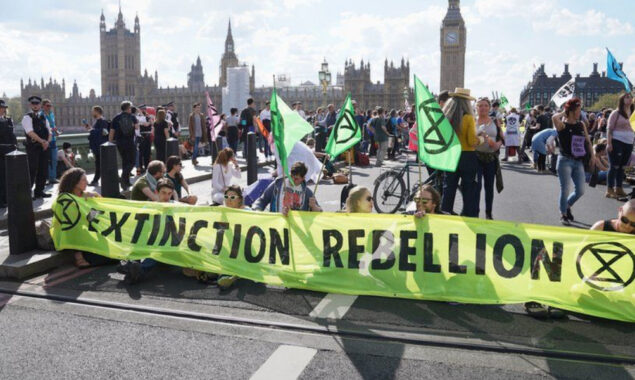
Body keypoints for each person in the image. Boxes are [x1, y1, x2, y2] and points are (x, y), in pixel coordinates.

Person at [57, 168, 117, 268]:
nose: (87, 182)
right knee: (110, 259)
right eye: (84, 180)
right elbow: (73, 225)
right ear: (75, 183)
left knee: (115, 257)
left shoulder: (83, 196)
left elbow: (100, 212)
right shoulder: (65, 199)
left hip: (86, 234)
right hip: (72, 237)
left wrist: (95, 196)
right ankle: (79, 257)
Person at [124, 178, 176, 284]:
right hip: (151, 243)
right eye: (163, 193)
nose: (166, 197)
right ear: (156, 192)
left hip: (167, 247)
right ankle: (133, 266)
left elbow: (174, 233)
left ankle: (136, 270)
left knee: (159, 249)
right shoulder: (147, 208)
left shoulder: (174, 207)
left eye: (170, 194)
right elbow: (139, 233)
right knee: (139, 243)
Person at [441, 88, 481, 217]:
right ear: (466, 103)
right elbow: (471, 142)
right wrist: (480, 138)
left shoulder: (446, 117)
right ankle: (468, 216)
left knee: (449, 187)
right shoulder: (468, 118)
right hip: (467, 156)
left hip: (451, 155)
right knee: (468, 188)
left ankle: (445, 213)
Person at [552, 98, 593, 225]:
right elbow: (554, 118)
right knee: (565, 189)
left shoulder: (581, 125)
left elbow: (588, 141)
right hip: (565, 160)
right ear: (571, 110)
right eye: (578, 110)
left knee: (580, 190)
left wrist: (593, 156)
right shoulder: (562, 125)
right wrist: (564, 112)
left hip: (578, 161)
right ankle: (563, 213)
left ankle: (568, 205)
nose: (580, 112)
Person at [253, 161, 322, 215]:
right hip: (277, 226)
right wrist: (256, 210)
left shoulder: (307, 193)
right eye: (291, 176)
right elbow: (262, 200)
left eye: (296, 179)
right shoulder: (277, 185)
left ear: (303, 178)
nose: (292, 180)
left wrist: (314, 207)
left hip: (296, 229)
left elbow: (320, 213)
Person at [474, 97, 503, 220]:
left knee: (489, 187)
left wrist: (497, 144)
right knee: (477, 185)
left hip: (491, 158)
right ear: (476, 108)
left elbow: (502, 138)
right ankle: (475, 211)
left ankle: (488, 212)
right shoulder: (472, 122)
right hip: (476, 157)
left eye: (485, 105)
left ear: (489, 107)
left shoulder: (495, 121)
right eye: (480, 106)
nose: (483, 108)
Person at [22, 96, 52, 199]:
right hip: (33, 148)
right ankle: (27, 193)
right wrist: (42, 141)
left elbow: (49, 131)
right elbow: (30, 132)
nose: (35, 105)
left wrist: (47, 142)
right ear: (30, 105)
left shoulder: (43, 117)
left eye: (37, 104)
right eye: (33, 104)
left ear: (40, 105)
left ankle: (39, 191)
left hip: (44, 147)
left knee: (43, 170)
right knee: (32, 170)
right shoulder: (27, 117)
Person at [606, 93, 634, 199]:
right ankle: (609, 189)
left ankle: (619, 187)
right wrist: (609, 143)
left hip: (629, 142)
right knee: (614, 166)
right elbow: (609, 128)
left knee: (623, 166)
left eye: (631, 97)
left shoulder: (633, 113)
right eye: (627, 97)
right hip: (617, 141)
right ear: (622, 100)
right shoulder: (616, 113)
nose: (630, 99)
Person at [109, 100, 139, 190]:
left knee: (125, 161)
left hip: (120, 143)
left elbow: (112, 132)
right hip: (130, 142)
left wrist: (110, 143)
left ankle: (126, 182)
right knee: (132, 162)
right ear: (128, 108)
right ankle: (123, 178)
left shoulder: (116, 118)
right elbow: (137, 127)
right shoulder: (132, 117)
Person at [85, 106, 109, 186]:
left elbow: (105, 132)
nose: (92, 113)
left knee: (99, 164)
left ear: (97, 112)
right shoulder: (97, 121)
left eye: (93, 111)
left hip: (101, 146)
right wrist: (91, 129)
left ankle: (96, 180)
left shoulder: (103, 121)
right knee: (99, 163)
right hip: (97, 146)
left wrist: (92, 130)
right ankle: (97, 180)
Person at [0, 99, 17, 208]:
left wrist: (14, 145)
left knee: (7, 177)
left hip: (8, 152)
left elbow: (12, 135)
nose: (3, 110)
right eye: (1, 108)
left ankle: (6, 198)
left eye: (4, 108)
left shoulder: (7, 120)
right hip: (1, 152)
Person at [42, 99, 59, 185]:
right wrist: (52, 129)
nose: (49, 107)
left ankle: (53, 177)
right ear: (43, 106)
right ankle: (48, 178)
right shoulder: (41, 115)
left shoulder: (51, 114)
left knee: (54, 159)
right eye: (47, 106)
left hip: (53, 139)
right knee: (47, 160)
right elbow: (43, 127)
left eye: (50, 106)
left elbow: (53, 125)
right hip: (46, 140)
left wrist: (56, 131)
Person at [136, 104, 153, 173]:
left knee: (147, 152)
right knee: (141, 153)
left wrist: (147, 122)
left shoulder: (147, 116)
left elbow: (150, 123)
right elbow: (140, 123)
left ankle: (146, 166)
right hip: (141, 136)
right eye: (143, 109)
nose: (144, 110)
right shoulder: (137, 116)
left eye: (145, 109)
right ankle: (140, 167)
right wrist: (145, 123)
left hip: (147, 135)